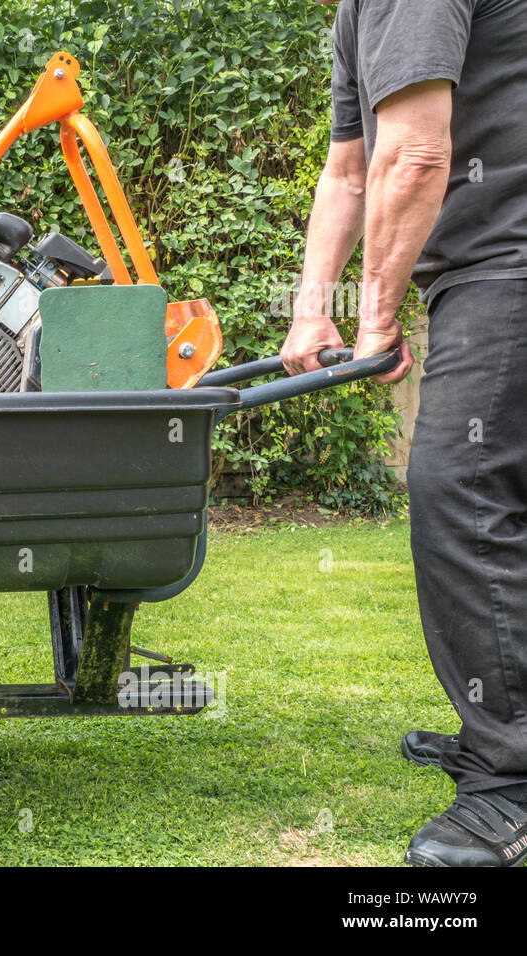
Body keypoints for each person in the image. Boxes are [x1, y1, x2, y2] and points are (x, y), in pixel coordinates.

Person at [280, 0, 527, 866]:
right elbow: (351, 170)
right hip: (480, 271)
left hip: (510, 262)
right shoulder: (356, 15)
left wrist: (377, 319)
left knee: (460, 487)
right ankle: (499, 727)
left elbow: (418, 155)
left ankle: (511, 780)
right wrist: (314, 311)